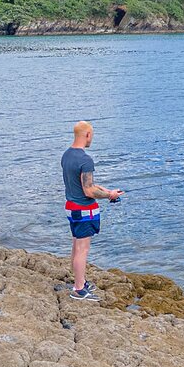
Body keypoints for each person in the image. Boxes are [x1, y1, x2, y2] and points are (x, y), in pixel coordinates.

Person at [61, 121, 123, 302]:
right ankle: (79, 289)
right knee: (82, 250)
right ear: (87, 134)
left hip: (71, 208)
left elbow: (84, 185)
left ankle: (79, 281)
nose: (92, 139)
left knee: (76, 246)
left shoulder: (67, 155)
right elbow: (88, 191)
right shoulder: (85, 160)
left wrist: (107, 192)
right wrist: (108, 196)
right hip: (83, 210)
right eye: (92, 136)